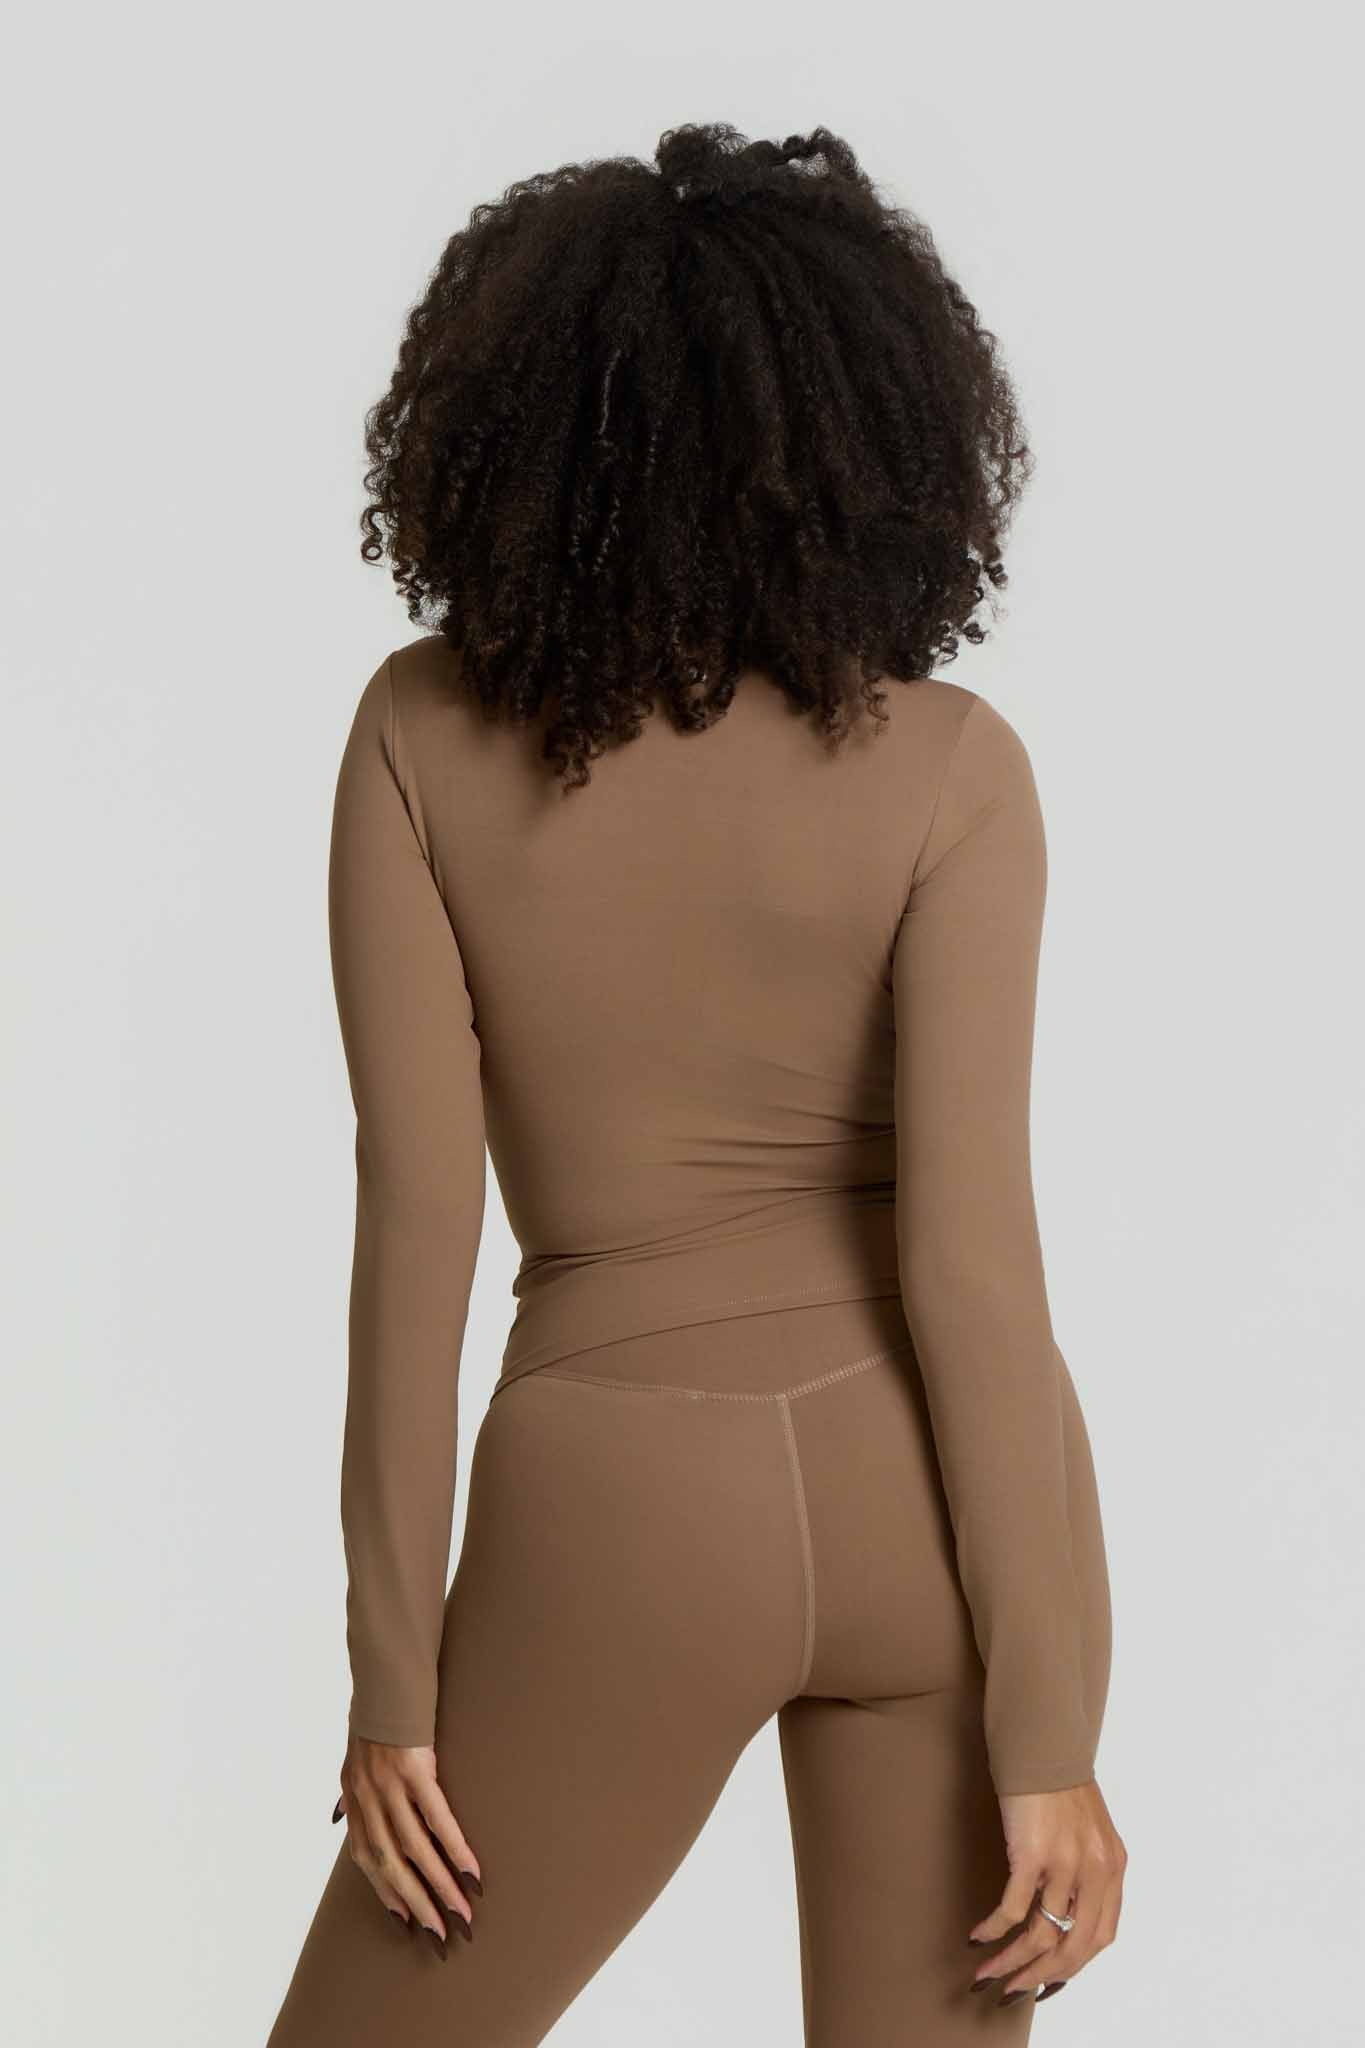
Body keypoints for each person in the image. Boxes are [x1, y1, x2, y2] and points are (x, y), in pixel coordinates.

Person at [266, 120, 1125, 2046]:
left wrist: (393, 1683)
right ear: (873, 438)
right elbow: (975, 1274)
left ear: (510, 438)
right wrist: (1049, 1729)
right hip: (933, 1517)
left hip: (621, 1500)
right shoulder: (954, 765)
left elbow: (417, 1225)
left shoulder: (418, 734)